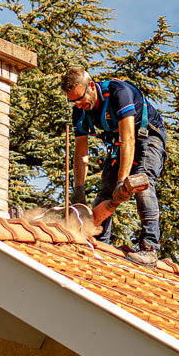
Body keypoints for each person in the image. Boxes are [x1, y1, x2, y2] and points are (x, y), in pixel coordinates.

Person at [63, 67, 166, 266]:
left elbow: (128, 139)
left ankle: (149, 249)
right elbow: (81, 152)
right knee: (106, 193)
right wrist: (78, 188)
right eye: (73, 101)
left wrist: (122, 182)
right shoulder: (80, 111)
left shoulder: (120, 93)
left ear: (91, 86)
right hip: (120, 143)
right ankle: (97, 242)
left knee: (141, 183)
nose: (79, 105)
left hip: (147, 136)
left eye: (81, 98)